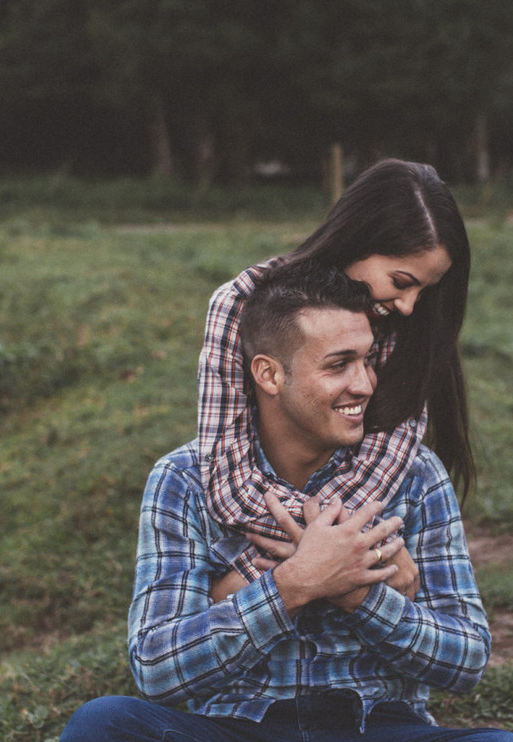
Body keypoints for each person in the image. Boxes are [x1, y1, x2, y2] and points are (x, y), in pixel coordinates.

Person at [58, 263, 513, 742]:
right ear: (269, 375)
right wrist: (294, 585)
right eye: (339, 365)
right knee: (101, 731)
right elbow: (157, 668)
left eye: (367, 361)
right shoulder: (185, 479)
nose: (364, 384)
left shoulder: (415, 475)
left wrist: (358, 592)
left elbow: (465, 659)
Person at [199, 159, 475, 591]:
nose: (408, 305)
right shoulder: (245, 305)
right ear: (357, 240)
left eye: (426, 289)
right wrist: (330, 562)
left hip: (267, 561)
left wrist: (261, 580)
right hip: (244, 543)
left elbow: (374, 478)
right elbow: (229, 482)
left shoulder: (408, 333)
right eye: (401, 281)